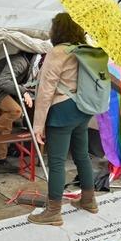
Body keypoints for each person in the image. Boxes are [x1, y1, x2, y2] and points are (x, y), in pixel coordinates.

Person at [28, 13, 98, 226]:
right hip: (82, 109)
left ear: (58, 30)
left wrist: (38, 124)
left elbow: (46, 90)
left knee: (57, 161)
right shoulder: (85, 50)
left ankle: (53, 212)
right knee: (82, 155)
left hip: (62, 110)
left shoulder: (57, 52)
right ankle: (89, 201)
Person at [0, 52, 35, 173]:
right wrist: (23, 91)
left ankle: (1, 161)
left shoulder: (22, 60)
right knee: (15, 111)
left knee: (6, 125)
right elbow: (4, 81)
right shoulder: (21, 61)